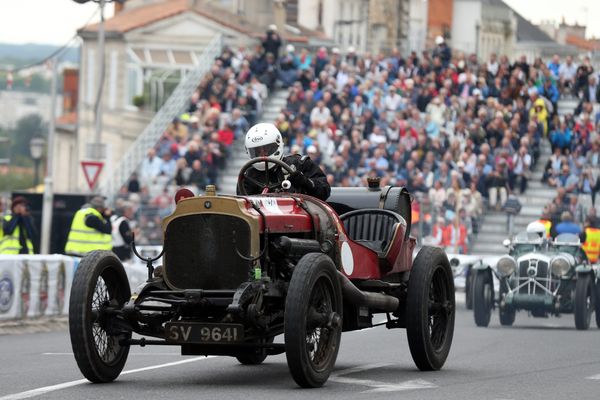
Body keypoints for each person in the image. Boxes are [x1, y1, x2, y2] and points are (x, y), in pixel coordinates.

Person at [238, 123, 330, 201]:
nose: (262, 155)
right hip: (261, 218)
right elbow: (243, 207)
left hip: (297, 216)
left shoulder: (300, 164)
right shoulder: (248, 176)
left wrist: (306, 182)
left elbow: (325, 191)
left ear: (277, 145)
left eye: (266, 149)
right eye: (257, 151)